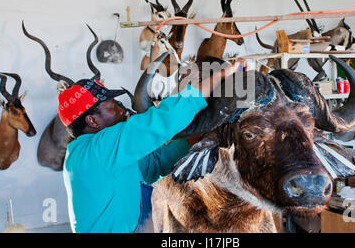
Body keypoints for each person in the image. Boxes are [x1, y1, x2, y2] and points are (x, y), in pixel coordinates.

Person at [59, 59, 245, 233]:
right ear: (92, 121)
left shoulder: (90, 155)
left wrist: (199, 134)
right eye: (113, 107)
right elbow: (164, 118)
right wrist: (221, 76)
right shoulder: (98, 150)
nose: (122, 110)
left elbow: (153, 165)